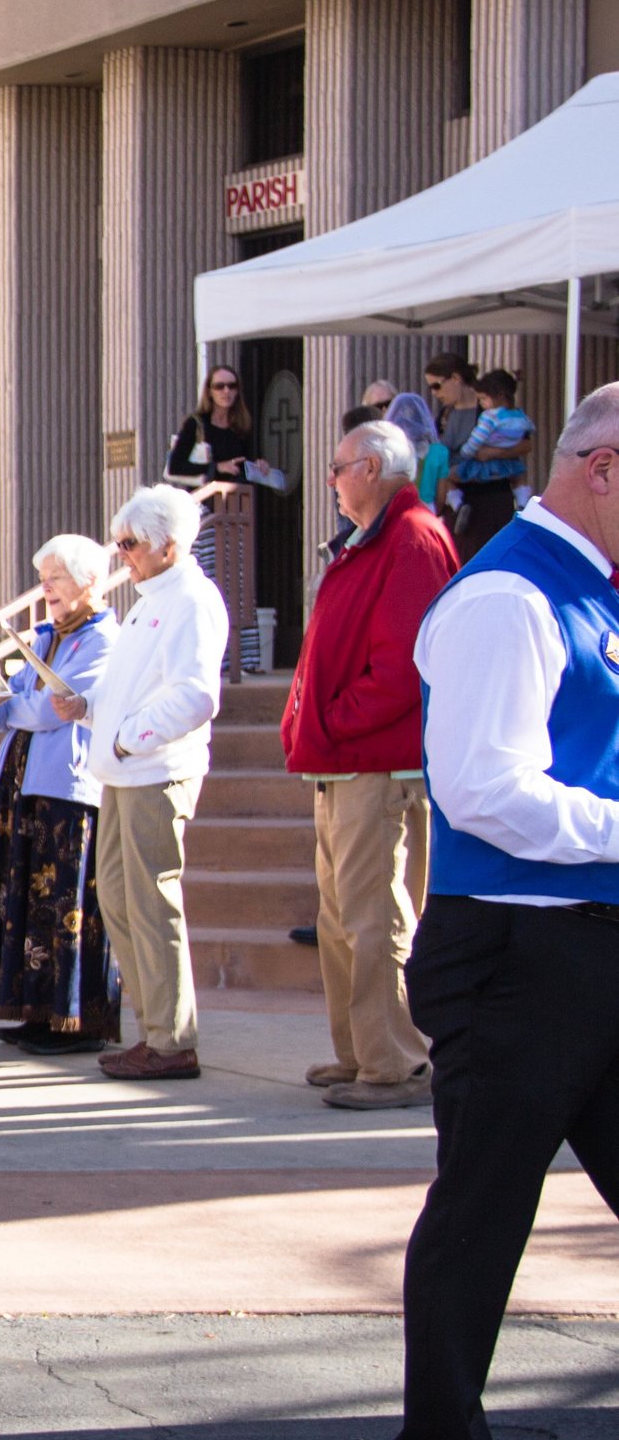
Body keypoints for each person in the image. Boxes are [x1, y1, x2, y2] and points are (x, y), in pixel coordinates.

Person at [383, 384, 619, 1440]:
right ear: (604, 467)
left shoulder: (574, 587)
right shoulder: (507, 593)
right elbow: (483, 788)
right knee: (483, 1206)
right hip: (520, 953)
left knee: (486, 1203)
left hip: (579, 943)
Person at [281, 421, 461, 1112]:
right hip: (343, 759)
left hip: (375, 763)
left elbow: (400, 668)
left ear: (376, 468)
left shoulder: (410, 538)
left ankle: (398, 1062)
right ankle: (361, 1051)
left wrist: (328, 720)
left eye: (339, 467)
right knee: (339, 915)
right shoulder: (371, 539)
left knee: (374, 912)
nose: (329, 479)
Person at [53, 485, 229, 1082]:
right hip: (126, 771)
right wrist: (88, 706)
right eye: (120, 541)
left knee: (152, 903)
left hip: (156, 771)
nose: (121, 554)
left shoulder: (191, 600)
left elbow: (196, 694)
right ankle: (156, 1029)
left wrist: (130, 737)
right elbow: (131, 684)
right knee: (122, 900)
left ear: (168, 545)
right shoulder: (151, 598)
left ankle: (171, 1038)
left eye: (130, 544)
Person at [0, 535, 121, 1053]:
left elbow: (48, 710)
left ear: (90, 582)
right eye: (44, 576)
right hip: (23, 784)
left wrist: (8, 704)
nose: (46, 587)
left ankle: (76, 1021)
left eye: (56, 577)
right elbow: (15, 706)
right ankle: (35, 1012)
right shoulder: (42, 635)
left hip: (67, 790)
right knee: (25, 906)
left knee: (64, 906)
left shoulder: (104, 640)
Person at [448, 369, 535, 562]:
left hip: (492, 492)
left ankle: (457, 503)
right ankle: (522, 502)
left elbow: (527, 444)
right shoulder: (517, 416)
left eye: (438, 386)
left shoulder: (489, 415)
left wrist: (490, 453)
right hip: (492, 488)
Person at [164, 366, 257, 485]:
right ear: (209, 392)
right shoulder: (195, 424)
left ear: (237, 391)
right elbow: (175, 467)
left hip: (235, 498)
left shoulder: (242, 425)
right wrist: (217, 467)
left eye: (232, 386)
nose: (226, 391)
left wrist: (258, 467)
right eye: (219, 386)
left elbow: (244, 464)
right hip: (203, 498)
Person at [425, 353, 484, 532]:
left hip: (488, 496)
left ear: (456, 378)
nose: (434, 393)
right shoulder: (444, 416)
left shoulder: (487, 409)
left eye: (437, 386)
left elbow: (522, 444)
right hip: (455, 505)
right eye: (431, 388)